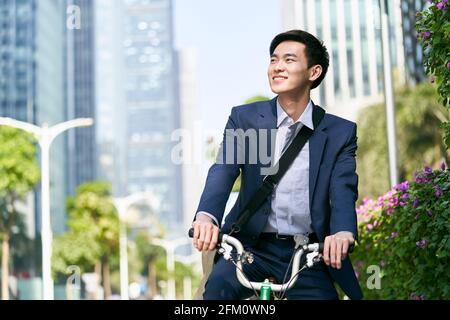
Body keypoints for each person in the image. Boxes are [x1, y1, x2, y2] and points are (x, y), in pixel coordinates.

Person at [191, 29, 363, 300]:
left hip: (306, 255)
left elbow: (342, 191)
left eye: (289, 60)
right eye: (274, 60)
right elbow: (223, 171)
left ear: (313, 72)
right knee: (217, 292)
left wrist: (341, 232)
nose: (277, 67)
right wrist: (206, 216)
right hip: (250, 250)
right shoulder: (245, 119)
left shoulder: (339, 132)